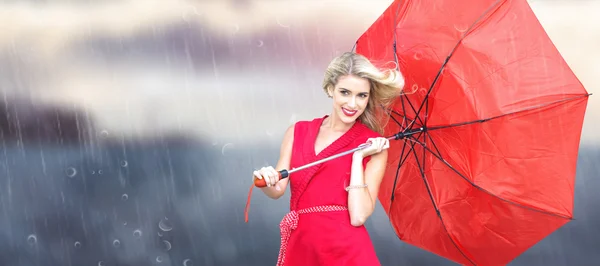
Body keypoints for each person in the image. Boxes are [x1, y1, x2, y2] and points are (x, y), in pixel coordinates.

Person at [253, 52, 405, 266]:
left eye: (362, 95)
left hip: (348, 253)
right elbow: (277, 190)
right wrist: (266, 179)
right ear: (330, 89)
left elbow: (358, 216)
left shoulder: (374, 145)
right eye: (345, 92)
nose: (353, 104)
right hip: (302, 248)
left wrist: (357, 158)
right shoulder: (297, 132)